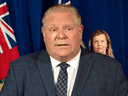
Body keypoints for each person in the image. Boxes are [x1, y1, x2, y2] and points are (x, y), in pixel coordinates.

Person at [0, 4, 128, 96]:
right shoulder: (20, 68)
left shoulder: (110, 69)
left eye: (68, 28)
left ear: (80, 31)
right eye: (53, 29)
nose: (61, 36)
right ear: (44, 34)